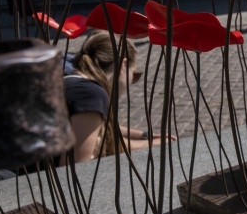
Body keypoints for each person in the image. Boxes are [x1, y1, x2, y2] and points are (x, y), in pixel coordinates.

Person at [63, 31, 171, 163]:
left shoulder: (72, 81)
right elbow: (77, 166)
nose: (131, 81)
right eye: (134, 75)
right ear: (122, 65)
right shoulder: (89, 93)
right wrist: (152, 144)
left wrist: (145, 136)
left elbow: (97, 130)